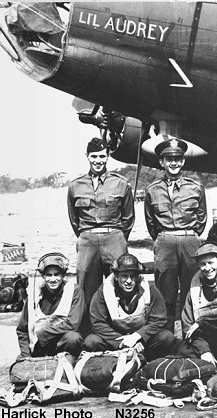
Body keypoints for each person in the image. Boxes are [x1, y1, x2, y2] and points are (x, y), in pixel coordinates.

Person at [67, 137, 135, 332]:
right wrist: (86, 236)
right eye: (94, 156)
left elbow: (128, 217)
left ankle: (124, 329)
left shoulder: (121, 184)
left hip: (114, 236)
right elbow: (74, 219)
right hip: (87, 239)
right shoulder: (75, 186)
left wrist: (118, 238)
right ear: (87, 157)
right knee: (86, 287)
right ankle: (90, 333)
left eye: (102, 156)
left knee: (122, 283)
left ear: (108, 157)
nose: (98, 160)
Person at [144, 139, 207, 332]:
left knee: (192, 289)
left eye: (178, 158)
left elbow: (201, 218)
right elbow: (150, 222)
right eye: (169, 159)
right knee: (166, 293)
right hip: (165, 241)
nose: (174, 163)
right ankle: (166, 336)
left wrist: (189, 235)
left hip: (189, 240)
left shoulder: (195, 187)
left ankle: (191, 334)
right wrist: (164, 238)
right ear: (162, 162)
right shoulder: (152, 190)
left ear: (183, 161)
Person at [84, 253, 177, 361]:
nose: (129, 281)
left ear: (138, 277)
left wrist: (138, 336)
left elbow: (159, 320)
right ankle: (113, 360)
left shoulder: (150, 290)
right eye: (124, 276)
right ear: (116, 276)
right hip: (115, 340)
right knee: (91, 341)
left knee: (166, 337)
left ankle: (147, 360)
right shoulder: (103, 292)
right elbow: (98, 323)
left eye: (133, 276)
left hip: (142, 340)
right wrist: (121, 342)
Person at [16, 253, 84, 358]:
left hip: (62, 344)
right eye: (48, 275)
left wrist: (44, 332)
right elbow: (22, 330)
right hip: (39, 347)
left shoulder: (74, 291)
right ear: (43, 276)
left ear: (63, 275)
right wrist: (26, 356)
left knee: (73, 338)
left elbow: (73, 323)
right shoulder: (34, 294)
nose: (52, 279)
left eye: (57, 274)